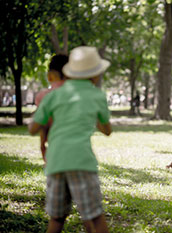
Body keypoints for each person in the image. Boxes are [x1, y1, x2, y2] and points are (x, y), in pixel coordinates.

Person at [28, 46, 112, 233]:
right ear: (96, 75)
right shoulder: (97, 96)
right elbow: (107, 130)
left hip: (56, 161)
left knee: (56, 219)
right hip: (82, 162)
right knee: (94, 217)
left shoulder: (54, 95)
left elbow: (33, 128)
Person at [34, 54, 69, 162]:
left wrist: (42, 146)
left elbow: (42, 125)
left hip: (55, 150)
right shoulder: (79, 95)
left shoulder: (44, 96)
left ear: (50, 76)